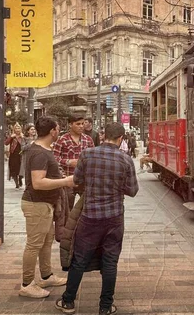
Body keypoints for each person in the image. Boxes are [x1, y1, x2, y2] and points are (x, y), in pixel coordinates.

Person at [56, 123, 139, 315]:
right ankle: (105, 306)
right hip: (114, 217)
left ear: (103, 136)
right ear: (120, 139)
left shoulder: (87, 154)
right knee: (110, 261)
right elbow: (133, 191)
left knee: (79, 259)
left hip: (90, 216)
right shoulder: (126, 159)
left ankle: (68, 301)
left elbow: (76, 180)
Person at [19, 117, 75, 298]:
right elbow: (38, 182)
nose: (59, 132)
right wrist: (65, 181)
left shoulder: (43, 150)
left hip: (44, 204)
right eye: (58, 129)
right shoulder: (40, 153)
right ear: (52, 131)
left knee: (46, 241)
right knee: (34, 244)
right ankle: (27, 284)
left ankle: (46, 275)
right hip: (37, 204)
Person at [54, 115, 95, 209]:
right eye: (78, 124)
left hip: (85, 179)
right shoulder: (62, 140)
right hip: (68, 179)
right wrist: (68, 162)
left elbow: (93, 159)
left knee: (87, 208)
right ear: (70, 125)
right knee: (67, 208)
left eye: (82, 123)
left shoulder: (88, 140)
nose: (81, 126)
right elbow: (54, 158)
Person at [5, 122, 25, 189]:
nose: (17, 129)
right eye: (16, 128)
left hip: (21, 155)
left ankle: (20, 178)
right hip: (13, 155)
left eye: (18, 128)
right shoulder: (12, 136)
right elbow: (6, 143)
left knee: (21, 169)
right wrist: (11, 137)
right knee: (13, 170)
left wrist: (22, 138)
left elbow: (25, 144)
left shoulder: (23, 136)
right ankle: (16, 183)